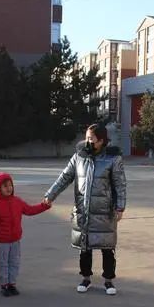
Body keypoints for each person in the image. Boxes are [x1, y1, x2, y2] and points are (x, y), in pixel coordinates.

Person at [44, 123, 127, 295]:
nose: (88, 141)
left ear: (102, 141)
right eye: (87, 137)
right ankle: (86, 278)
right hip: (84, 210)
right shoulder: (78, 157)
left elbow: (120, 185)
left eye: (92, 138)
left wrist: (120, 207)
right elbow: (65, 177)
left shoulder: (113, 159)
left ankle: (108, 281)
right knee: (85, 246)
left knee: (107, 247)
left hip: (104, 211)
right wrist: (50, 195)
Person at [0, 172, 50, 297]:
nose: (9, 188)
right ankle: (4, 284)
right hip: (2, 241)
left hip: (15, 239)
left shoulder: (17, 201)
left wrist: (44, 206)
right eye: (5, 186)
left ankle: (12, 283)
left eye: (10, 185)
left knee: (14, 261)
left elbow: (30, 210)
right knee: (3, 263)